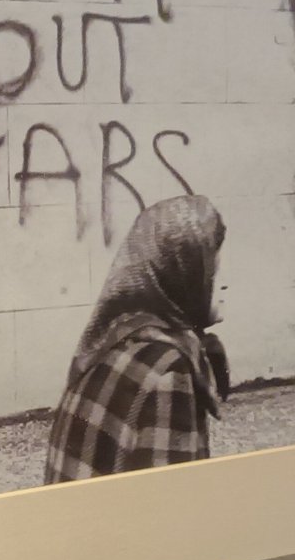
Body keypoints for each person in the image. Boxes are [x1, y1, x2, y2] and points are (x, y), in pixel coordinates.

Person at [45, 195, 231, 483]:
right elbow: (175, 508)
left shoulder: (112, 341)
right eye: (212, 266)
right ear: (179, 272)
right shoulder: (167, 369)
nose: (226, 280)